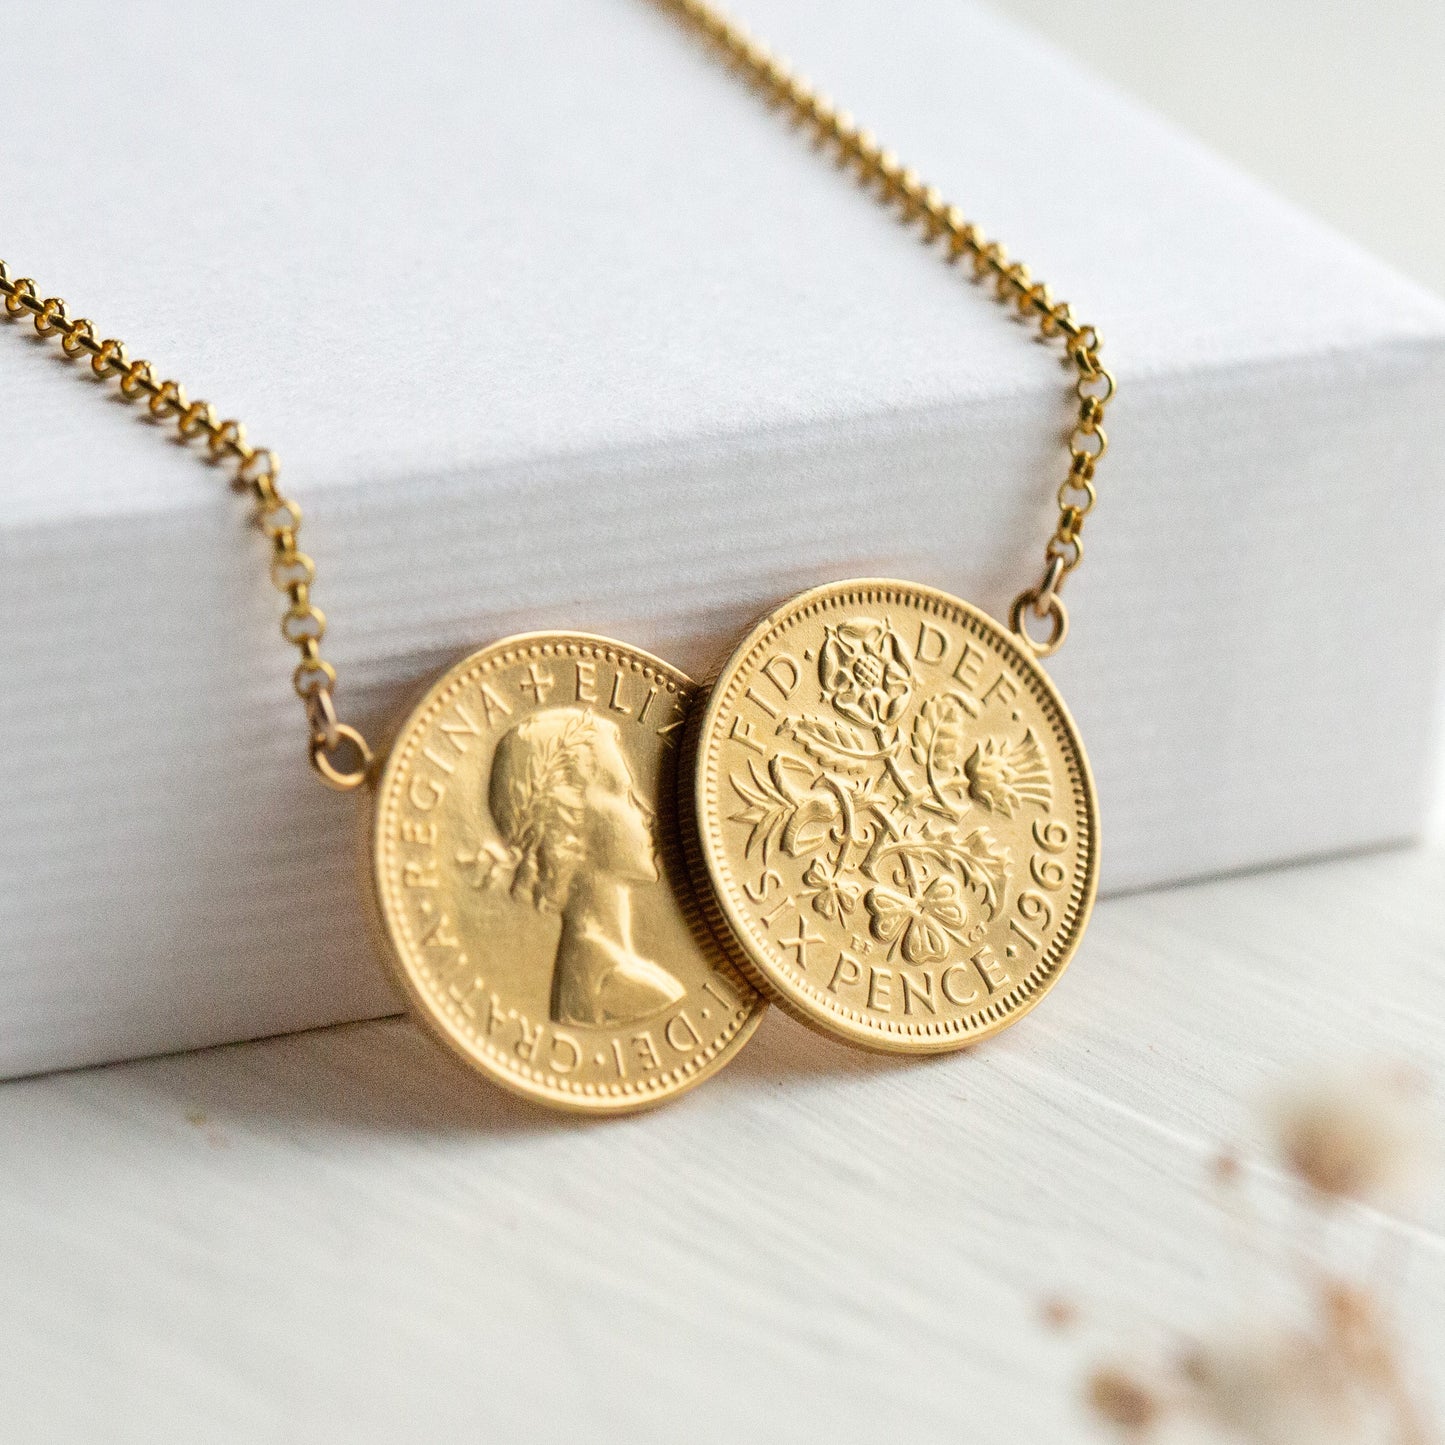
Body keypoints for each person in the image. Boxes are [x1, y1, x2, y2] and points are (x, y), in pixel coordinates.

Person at [488, 706, 685, 1027]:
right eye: (623, 793)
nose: (647, 813)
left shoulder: (602, 970)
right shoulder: (620, 987)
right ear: (568, 821)